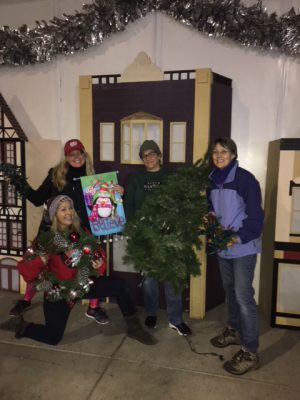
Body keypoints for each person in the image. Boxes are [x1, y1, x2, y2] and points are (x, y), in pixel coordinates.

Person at [12, 195, 156, 346]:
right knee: (53, 337)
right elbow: (25, 270)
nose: (69, 212)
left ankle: (134, 328)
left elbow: (98, 253)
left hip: (83, 283)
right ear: (54, 214)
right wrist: (39, 261)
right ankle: (23, 328)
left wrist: (98, 264)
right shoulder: (46, 240)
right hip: (60, 292)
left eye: (70, 208)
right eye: (63, 209)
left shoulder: (81, 233)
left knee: (120, 286)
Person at [9, 139, 122, 324]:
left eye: (79, 153)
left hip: (84, 232)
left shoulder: (94, 177)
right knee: (41, 263)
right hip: (54, 231)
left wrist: (119, 193)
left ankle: (93, 308)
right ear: (66, 157)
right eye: (71, 154)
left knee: (91, 264)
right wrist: (18, 182)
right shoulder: (55, 175)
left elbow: (105, 203)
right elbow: (37, 199)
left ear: (84, 154)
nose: (76, 157)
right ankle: (26, 300)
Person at [207, 137, 264, 375]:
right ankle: (233, 330)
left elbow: (255, 219)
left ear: (233, 154)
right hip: (223, 248)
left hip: (243, 247)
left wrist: (236, 238)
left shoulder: (245, 180)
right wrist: (209, 222)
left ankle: (250, 351)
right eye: (215, 152)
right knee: (229, 290)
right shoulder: (212, 181)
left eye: (224, 151)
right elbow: (211, 211)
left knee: (243, 297)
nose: (219, 155)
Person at [124, 140, 191, 336]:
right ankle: (151, 313)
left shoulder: (171, 177)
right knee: (149, 280)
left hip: (170, 237)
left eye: (152, 153)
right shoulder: (136, 179)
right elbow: (128, 207)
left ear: (159, 155)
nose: (148, 158)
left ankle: (176, 319)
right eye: (144, 155)